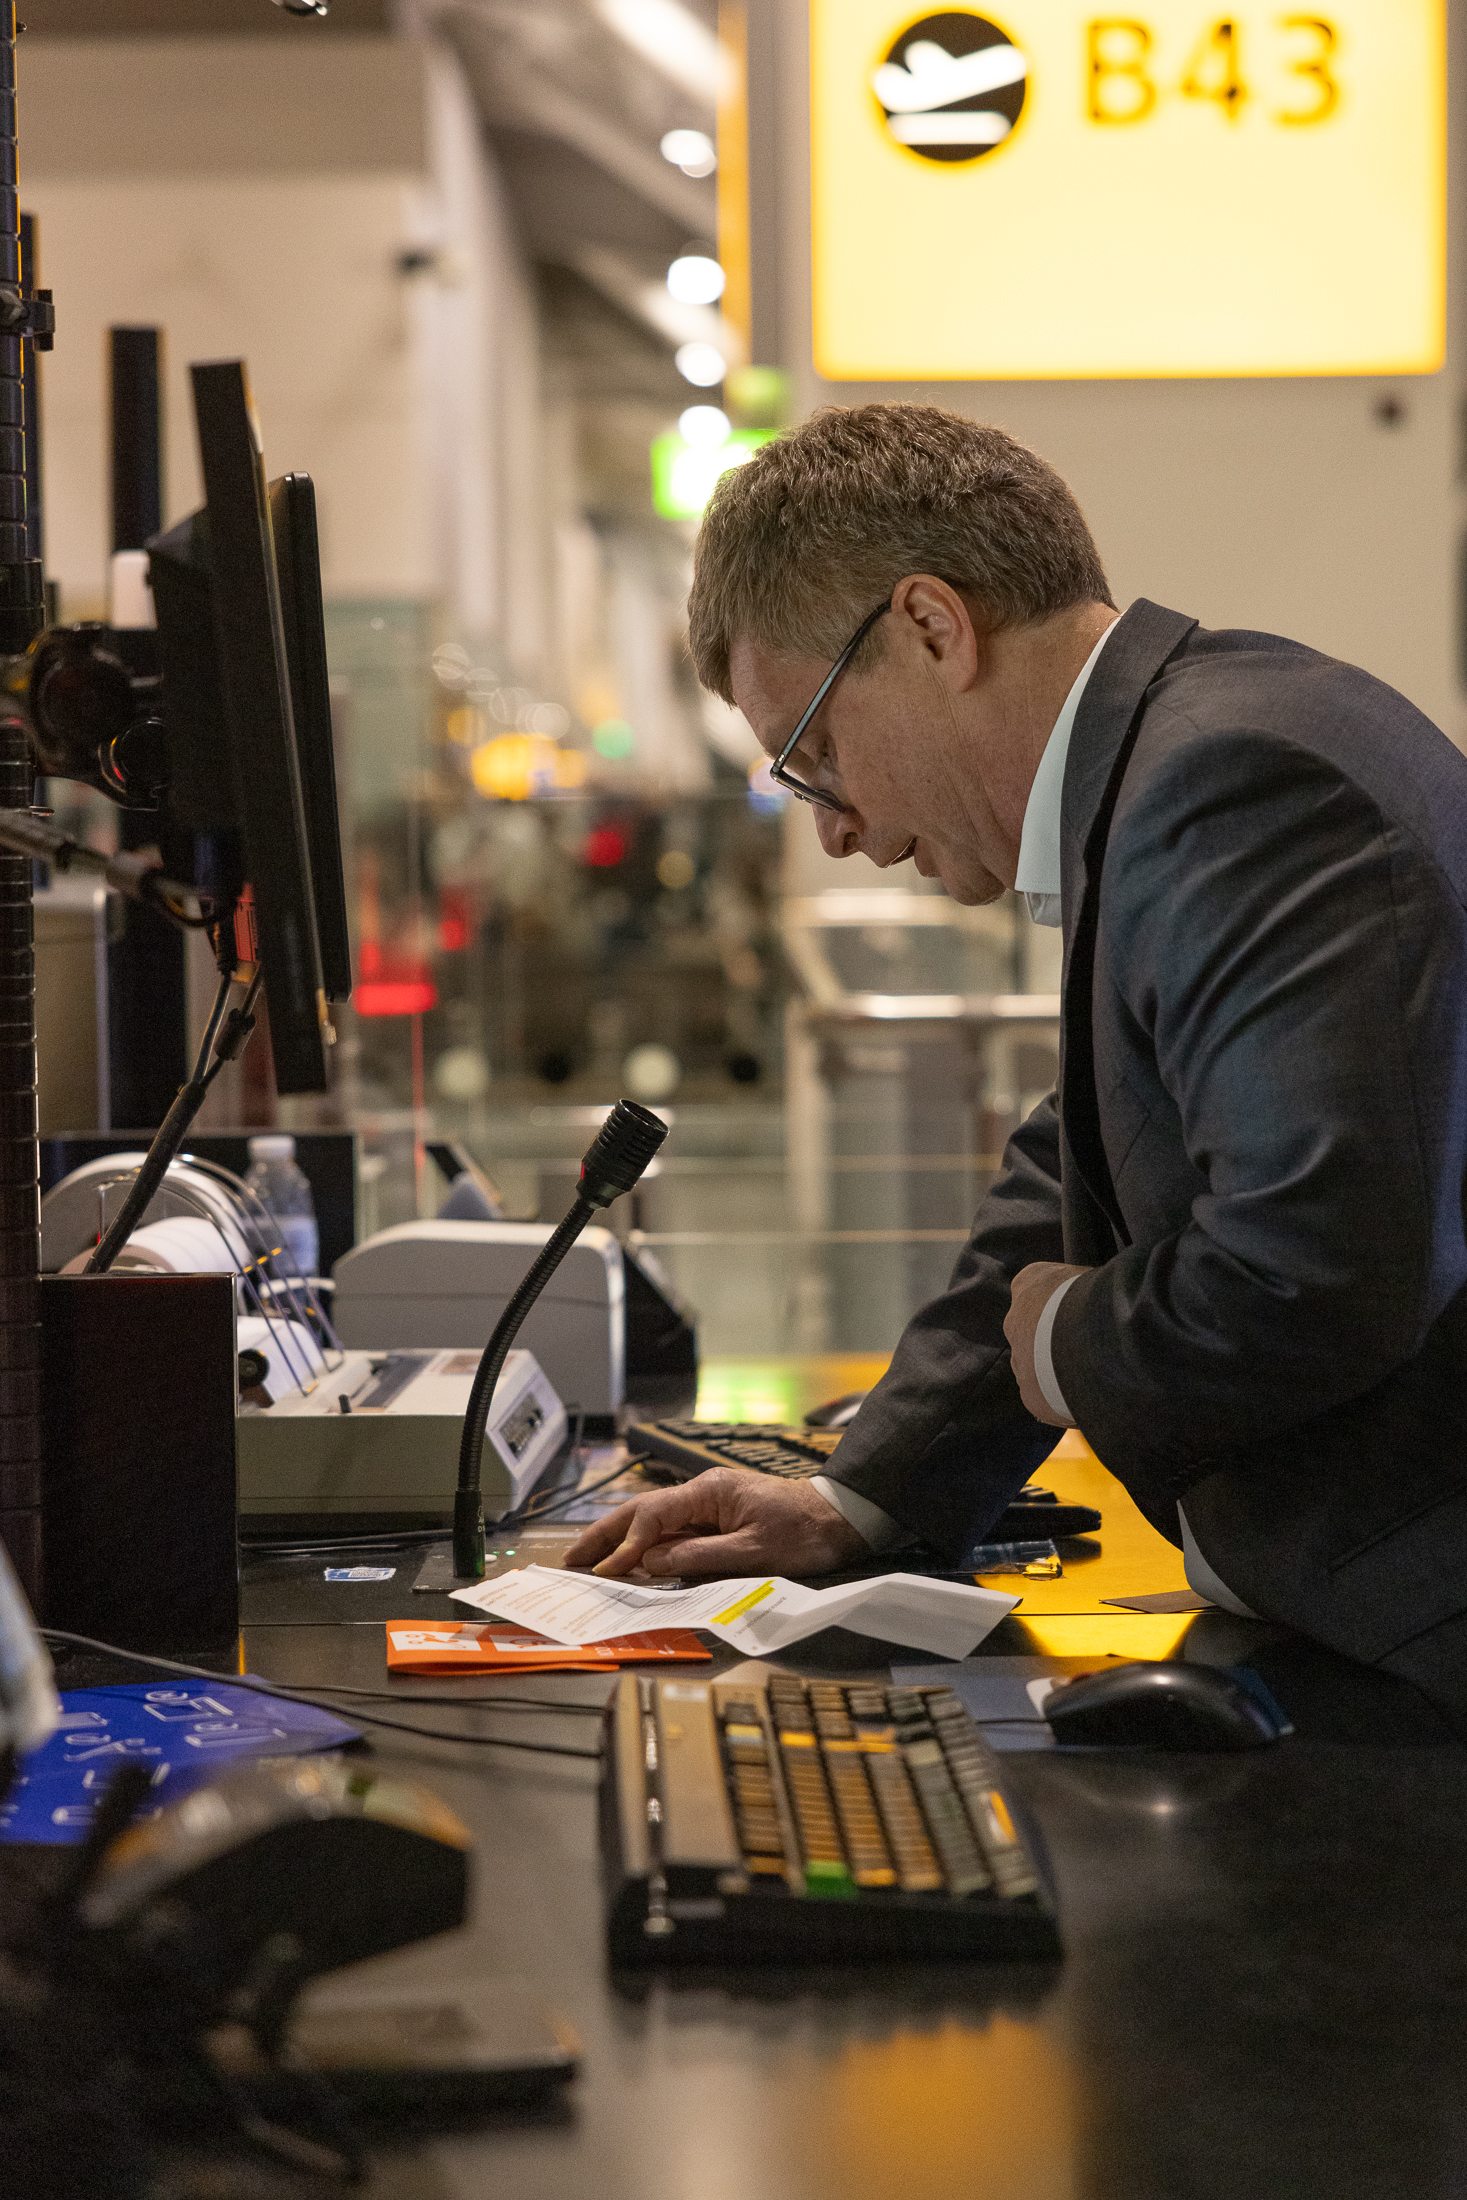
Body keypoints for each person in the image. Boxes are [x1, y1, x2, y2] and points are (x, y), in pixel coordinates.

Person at [565, 403, 1467, 1722]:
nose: (838, 832)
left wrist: (1064, 1340)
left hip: (1417, 1657)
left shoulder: (1231, 785)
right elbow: (1086, 1148)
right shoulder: (1182, 759)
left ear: (932, 627)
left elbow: (1316, 1274)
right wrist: (855, 1497)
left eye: (817, 754)